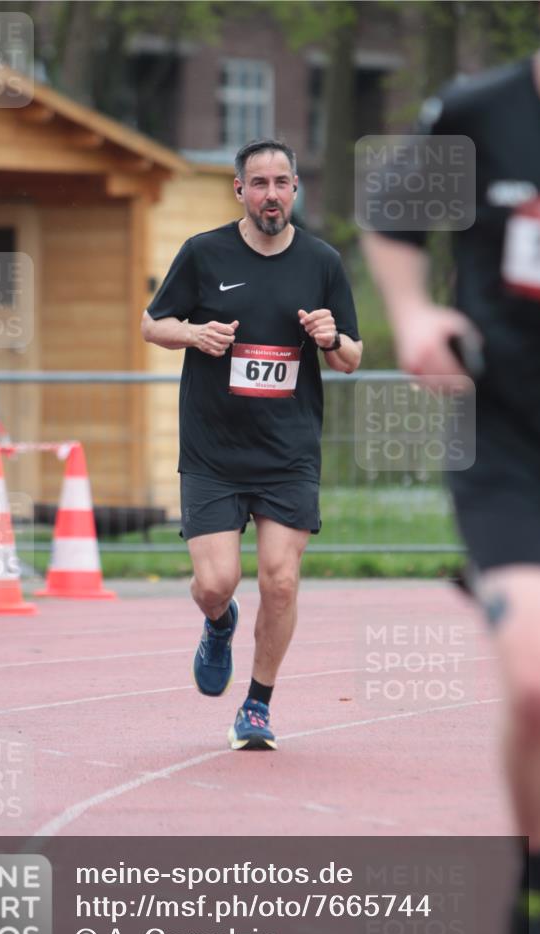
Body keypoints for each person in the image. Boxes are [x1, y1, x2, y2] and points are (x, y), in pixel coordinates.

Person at [361, 27, 540, 934]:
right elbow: (392, 222)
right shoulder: (481, 115)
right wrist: (412, 312)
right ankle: (535, 897)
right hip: (509, 440)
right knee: (535, 688)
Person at [141, 138, 362, 750]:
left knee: (280, 581)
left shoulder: (322, 262)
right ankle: (218, 624)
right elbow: (149, 323)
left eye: (282, 182)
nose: (271, 194)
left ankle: (257, 706)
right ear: (240, 190)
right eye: (259, 183)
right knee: (216, 583)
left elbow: (351, 357)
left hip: (288, 451)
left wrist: (329, 336)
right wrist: (192, 334)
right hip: (213, 450)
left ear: (296, 190)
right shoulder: (203, 252)